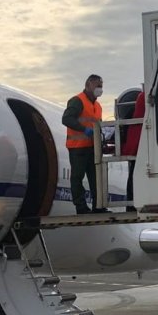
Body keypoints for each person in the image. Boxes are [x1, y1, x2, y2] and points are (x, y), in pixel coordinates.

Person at [62, 74, 109, 214]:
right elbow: (66, 119)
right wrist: (84, 129)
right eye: (97, 86)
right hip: (78, 147)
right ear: (88, 85)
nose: (100, 89)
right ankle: (81, 207)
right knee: (77, 177)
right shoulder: (77, 101)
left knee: (96, 179)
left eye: (101, 86)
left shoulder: (98, 106)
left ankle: (98, 206)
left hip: (93, 147)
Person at [121, 88, 146, 211]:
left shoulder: (142, 99)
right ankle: (132, 204)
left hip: (137, 145)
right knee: (135, 175)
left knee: (133, 174)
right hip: (138, 145)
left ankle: (131, 204)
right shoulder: (145, 98)